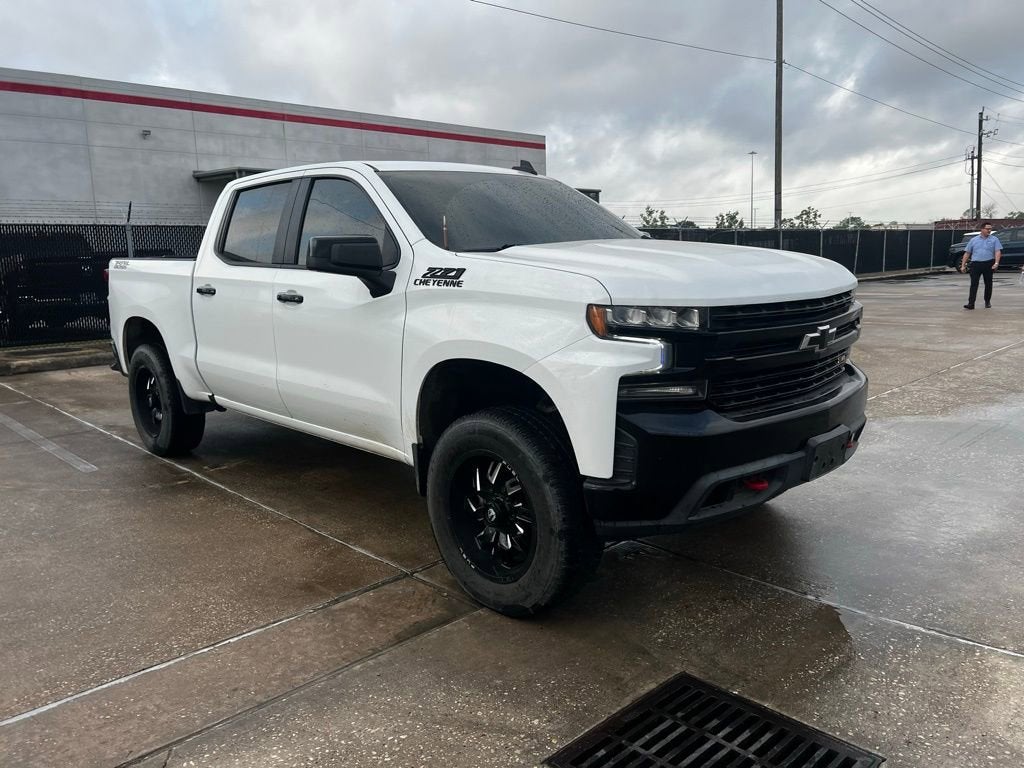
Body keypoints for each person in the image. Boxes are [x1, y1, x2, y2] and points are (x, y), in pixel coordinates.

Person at [960, 222, 1002, 309]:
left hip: (988, 263)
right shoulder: (973, 240)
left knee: (988, 283)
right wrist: (963, 265)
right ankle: (971, 303)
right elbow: (967, 253)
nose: (989, 230)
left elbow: (997, 251)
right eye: (987, 229)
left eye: (990, 229)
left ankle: (987, 301)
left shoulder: (994, 239)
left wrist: (996, 263)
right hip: (976, 264)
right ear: (982, 229)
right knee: (974, 284)